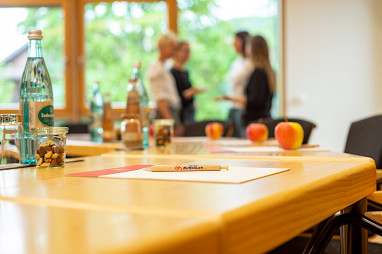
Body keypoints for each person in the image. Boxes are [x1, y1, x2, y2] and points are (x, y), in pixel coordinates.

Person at [222, 35, 275, 127]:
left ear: (253, 49)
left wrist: (231, 98)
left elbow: (254, 100)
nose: (246, 48)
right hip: (263, 119)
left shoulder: (258, 72)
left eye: (248, 46)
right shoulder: (268, 71)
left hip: (255, 122)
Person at [147, 32, 182, 126]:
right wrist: (170, 121)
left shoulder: (165, 67)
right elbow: (160, 98)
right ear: (161, 47)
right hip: (165, 114)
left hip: (171, 112)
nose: (174, 51)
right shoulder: (156, 67)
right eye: (171, 47)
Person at [226, 31, 254, 137]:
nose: (234, 44)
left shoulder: (251, 63)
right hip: (233, 106)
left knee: (242, 137)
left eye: (236, 41)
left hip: (243, 108)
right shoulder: (236, 62)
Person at [170, 41, 203, 124]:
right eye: (185, 51)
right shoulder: (172, 72)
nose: (187, 55)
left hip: (189, 112)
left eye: (189, 52)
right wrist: (191, 92)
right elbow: (175, 95)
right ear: (176, 52)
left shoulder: (185, 72)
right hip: (179, 113)